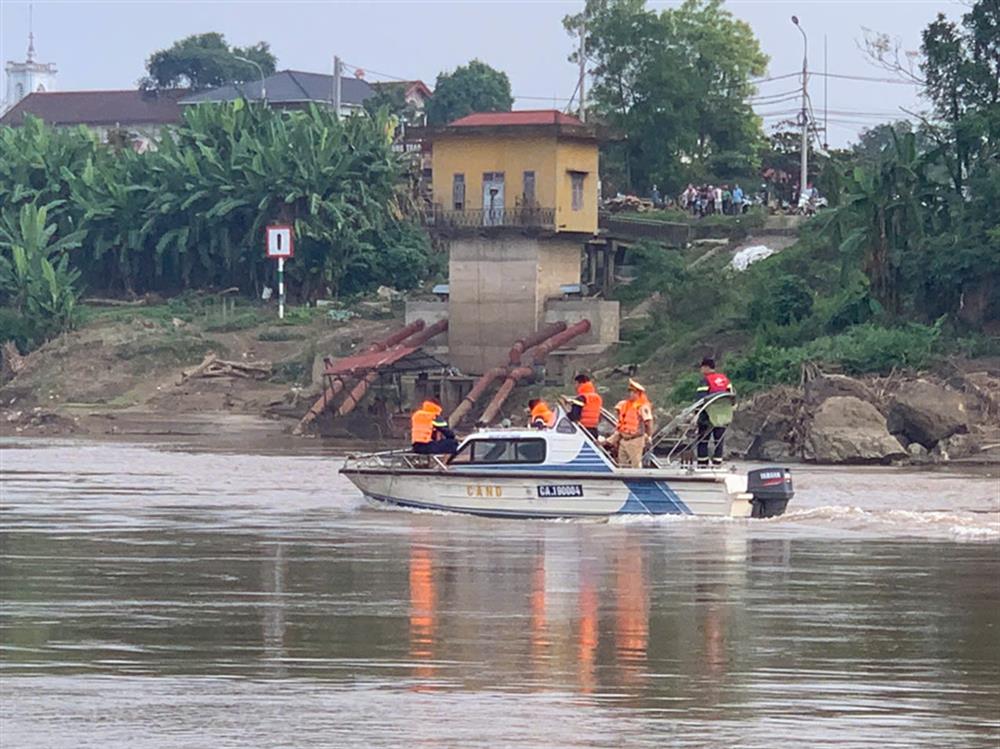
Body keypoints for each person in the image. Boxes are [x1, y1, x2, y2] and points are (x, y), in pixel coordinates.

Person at [694, 357, 734, 468]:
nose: (701, 370)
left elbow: (700, 399)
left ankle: (702, 465)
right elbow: (731, 396)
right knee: (719, 440)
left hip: (707, 416)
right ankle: (717, 464)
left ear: (706, 367)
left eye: (702, 368)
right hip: (723, 416)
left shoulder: (705, 380)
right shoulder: (725, 380)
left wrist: (696, 414)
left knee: (702, 440)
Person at [606, 379, 654, 468]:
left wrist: (649, 436)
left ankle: (637, 480)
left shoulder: (642, 406)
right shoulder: (626, 405)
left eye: (633, 392)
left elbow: (649, 422)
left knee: (635, 464)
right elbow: (621, 423)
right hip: (624, 439)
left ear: (638, 394)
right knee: (622, 463)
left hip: (636, 439)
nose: (631, 394)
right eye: (630, 392)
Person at [568, 373, 603, 438]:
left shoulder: (581, 398)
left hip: (583, 429)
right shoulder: (597, 397)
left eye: (575, 384)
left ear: (580, 384)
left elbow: (574, 416)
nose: (575, 386)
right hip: (594, 429)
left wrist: (567, 415)